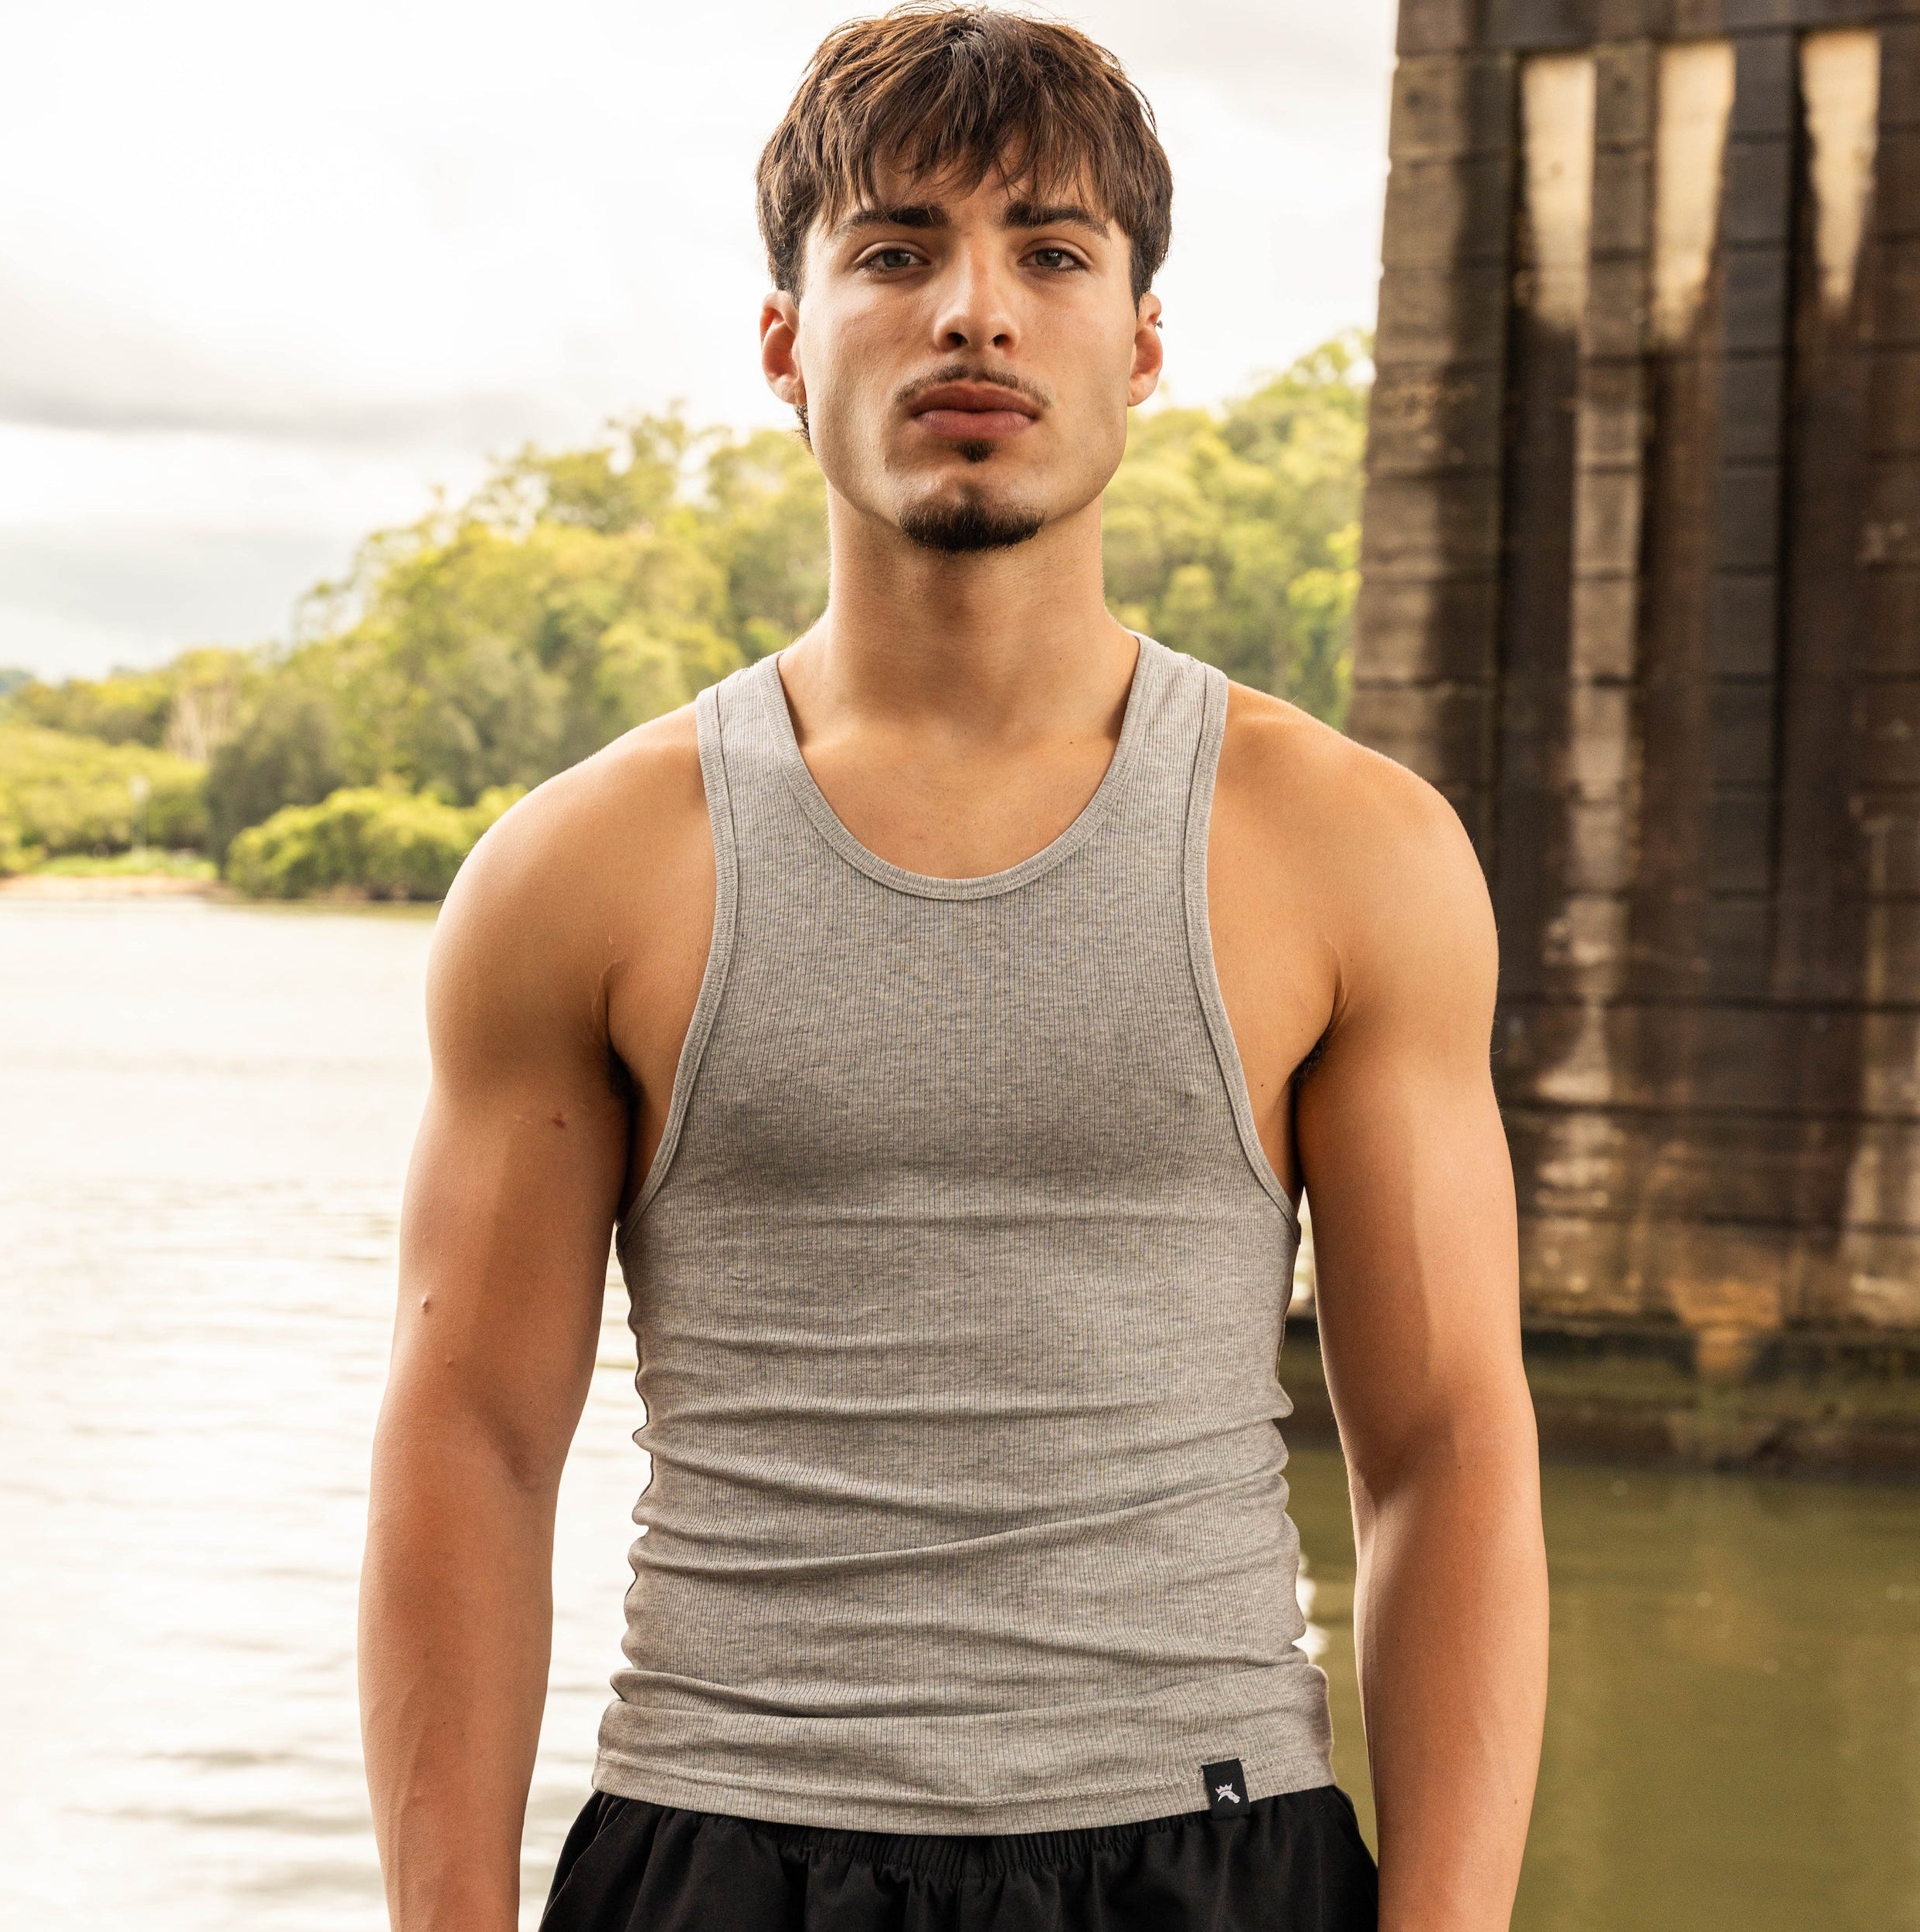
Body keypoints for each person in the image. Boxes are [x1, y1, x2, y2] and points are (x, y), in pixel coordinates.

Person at [357, 6, 1549, 1929]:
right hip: (719, 1843)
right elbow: (472, 1444)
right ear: (785, 340)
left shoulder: (1349, 850)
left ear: (1139, 343)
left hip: (1211, 1841)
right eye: (895, 250)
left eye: (1050, 254)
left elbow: (1440, 1444)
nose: (972, 313)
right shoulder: (580, 869)